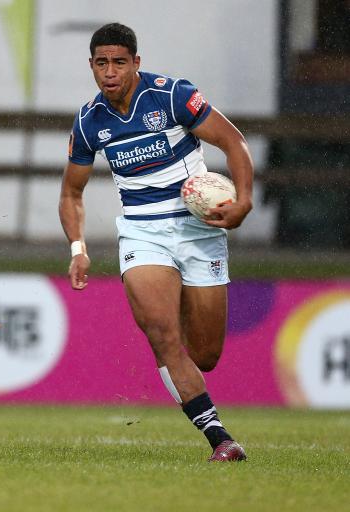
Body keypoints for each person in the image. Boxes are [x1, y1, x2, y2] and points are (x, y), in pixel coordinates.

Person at [59, 23, 253, 462]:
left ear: (136, 63)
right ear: (91, 66)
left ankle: (178, 303)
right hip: (142, 233)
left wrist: (243, 202)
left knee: (206, 355)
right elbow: (71, 193)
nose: (110, 72)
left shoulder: (171, 96)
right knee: (162, 336)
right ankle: (220, 439)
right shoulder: (90, 122)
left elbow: (234, 142)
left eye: (119, 62)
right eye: (101, 63)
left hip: (199, 231)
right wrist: (78, 248)